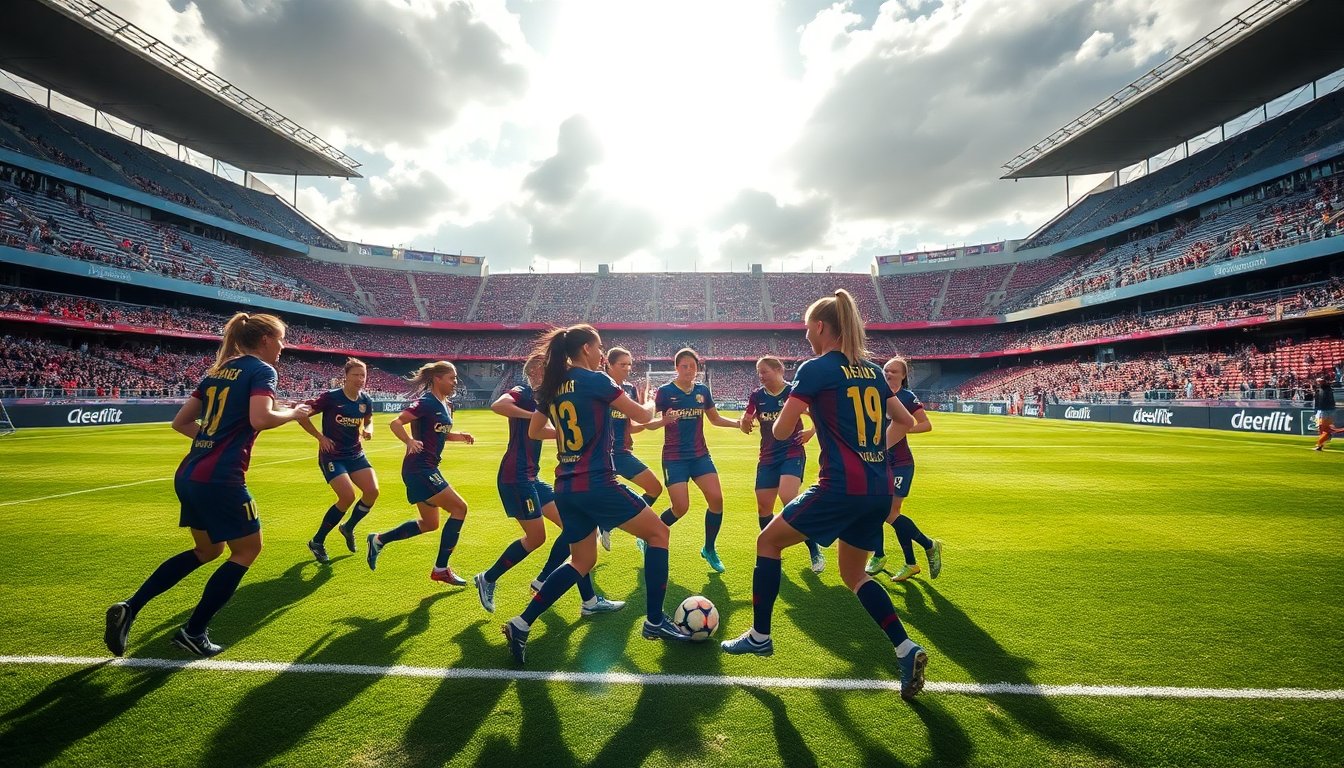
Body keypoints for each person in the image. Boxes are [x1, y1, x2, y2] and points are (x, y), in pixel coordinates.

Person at [720, 290, 929, 701]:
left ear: (819, 327)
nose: (805, 336)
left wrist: (803, 413)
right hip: (876, 488)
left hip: (839, 487)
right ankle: (906, 649)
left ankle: (760, 635)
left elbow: (781, 430)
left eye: (806, 329)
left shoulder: (815, 369)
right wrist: (872, 450)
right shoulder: (872, 371)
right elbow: (905, 421)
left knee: (767, 542)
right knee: (854, 575)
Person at [103, 312, 311, 658]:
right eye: (281, 339)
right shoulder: (263, 370)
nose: (283, 346)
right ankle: (194, 631)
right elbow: (260, 418)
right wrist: (294, 413)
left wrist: (214, 440)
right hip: (221, 478)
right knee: (247, 550)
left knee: (208, 551)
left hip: (190, 473)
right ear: (265, 340)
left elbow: (181, 422)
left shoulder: (217, 371)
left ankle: (131, 607)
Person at [501, 325, 691, 665]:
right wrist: (649, 398)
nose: (602, 352)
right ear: (587, 348)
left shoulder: (553, 385)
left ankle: (521, 623)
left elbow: (535, 430)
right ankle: (654, 620)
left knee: (582, 561)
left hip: (565, 486)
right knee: (659, 533)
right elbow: (643, 415)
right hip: (597, 483)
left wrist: (568, 435)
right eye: (599, 346)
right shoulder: (596, 380)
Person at [474, 354, 624, 616]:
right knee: (537, 538)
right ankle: (488, 578)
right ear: (535, 370)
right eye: (549, 366)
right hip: (515, 476)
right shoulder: (523, 391)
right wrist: (532, 416)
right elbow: (498, 405)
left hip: (532, 477)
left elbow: (548, 431)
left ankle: (588, 601)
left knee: (575, 530)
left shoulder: (549, 397)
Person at [365, 361, 474, 585]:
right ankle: (441, 569)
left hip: (427, 468)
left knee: (430, 523)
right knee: (460, 508)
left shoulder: (446, 404)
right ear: (437, 379)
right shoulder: (426, 402)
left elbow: (441, 433)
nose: (455, 382)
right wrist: (409, 441)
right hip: (420, 468)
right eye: (451, 378)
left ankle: (378, 540)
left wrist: (459, 436)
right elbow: (396, 423)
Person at [647, 348, 741, 573]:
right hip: (674, 457)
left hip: (700, 455)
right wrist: (663, 421)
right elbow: (648, 423)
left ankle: (709, 549)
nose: (688, 370)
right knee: (681, 508)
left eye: (692, 366)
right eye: (684, 366)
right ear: (676, 368)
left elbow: (715, 419)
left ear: (697, 368)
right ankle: (648, 534)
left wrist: (738, 424)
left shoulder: (702, 391)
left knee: (716, 499)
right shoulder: (665, 392)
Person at [741, 356, 825, 573]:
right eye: (759, 372)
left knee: (789, 498)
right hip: (768, 456)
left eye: (765, 371)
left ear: (779, 370)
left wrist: (811, 431)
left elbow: (820, 413)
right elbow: (747, 418)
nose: (761, 376)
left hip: (792, 451)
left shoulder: (793, 392)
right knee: (764, 507)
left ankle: (814, 550)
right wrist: (744, 423)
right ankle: (770, 550)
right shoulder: (757, 396)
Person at [865, 356, 943, 582]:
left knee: (890, 513)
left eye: (894, 371)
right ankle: (903, 561)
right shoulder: (874, 394)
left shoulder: (907, 397)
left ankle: (928, 545)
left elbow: (926, 424)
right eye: (886, 370)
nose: (888, 373)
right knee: (874, 509)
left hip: (900, 463)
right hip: (877, 460)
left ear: (903, 375)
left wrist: (903, 428)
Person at [297, 358, 379, 563]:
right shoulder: (331, 398)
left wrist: (368, 429)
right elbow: (301, 415)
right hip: (333, 455)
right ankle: (317, 541)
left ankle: (348, 527)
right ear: (346, 377)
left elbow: (368, 420)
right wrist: (320, 437)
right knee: (347, 496)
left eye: (363, 375)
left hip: (355, 454)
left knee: (372, 492)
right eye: (355, 375)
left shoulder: (365, 400)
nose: (360, 379)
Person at [596, 347, 663, 550]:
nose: (627, 368)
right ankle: (609, 523)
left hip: (622, 452)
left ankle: (609, 522)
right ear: (608, 364)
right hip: (604, 454)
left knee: (655, 488)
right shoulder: (599, 386)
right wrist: (650, 402)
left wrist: (662, 421)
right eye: (622, 364)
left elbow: (632, 426)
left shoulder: (629, 389)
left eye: (629, 364)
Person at [1313, 377, 1336, 451]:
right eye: (1318, 381)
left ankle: (1321, 443)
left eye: (1321, 381)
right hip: (1322, 410)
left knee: (1323, 428)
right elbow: (1317, 401)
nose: (1319, 383)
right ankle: (1322, 443)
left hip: (1326, 410)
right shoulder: (1319, 390)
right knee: (1320, 428)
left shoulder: (1327, 388)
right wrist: (1315, 410)